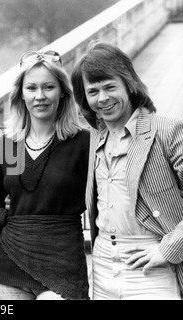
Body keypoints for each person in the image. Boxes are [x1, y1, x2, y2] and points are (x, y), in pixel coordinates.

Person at [71, 41, 183, 300]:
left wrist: (168, 249)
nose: (103, 98)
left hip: (152, 264)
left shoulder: (167, 131)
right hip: (102, 265)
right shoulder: (92, 140)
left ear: (129, 84)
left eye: (110, 87)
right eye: (93, 91)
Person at [0, 50, 90, 300]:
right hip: (10, 264)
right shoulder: (7, 145)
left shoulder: (83, 142)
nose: (40, 96)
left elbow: (103, 202)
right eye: (31, 88)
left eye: (48, 87)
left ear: (62, 91)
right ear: (21, 94)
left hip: (62, 263)